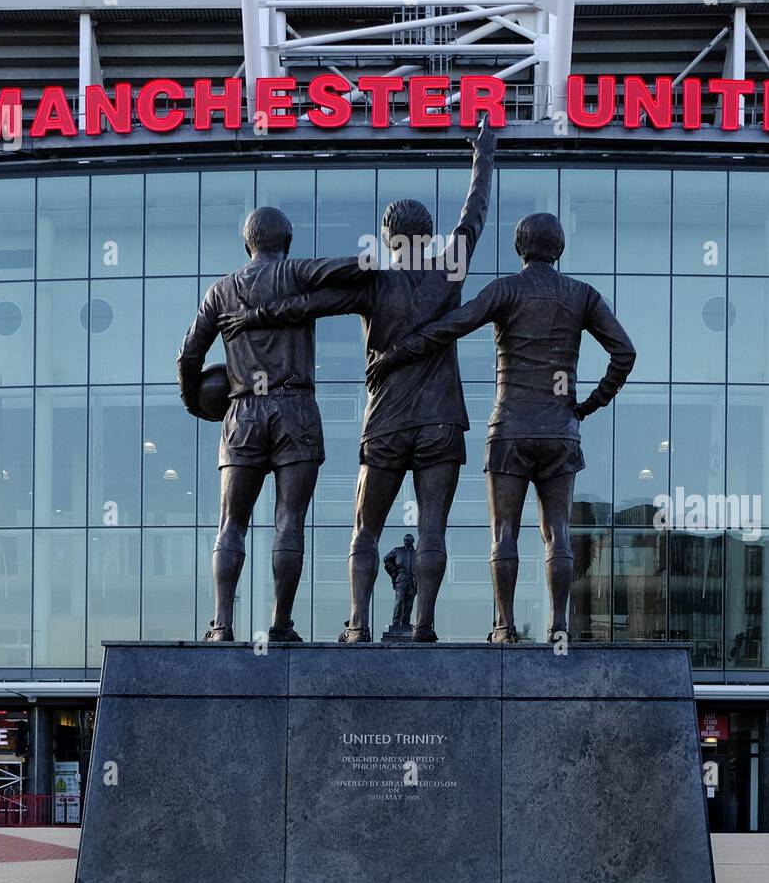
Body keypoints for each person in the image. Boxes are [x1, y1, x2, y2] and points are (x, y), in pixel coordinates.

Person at [219, 118, 496, 643]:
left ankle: (360, 624)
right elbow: (475, 211)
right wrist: (484, 152)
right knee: (434, 528)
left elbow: (308, 306)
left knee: (365, 529)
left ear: (389, 239)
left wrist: (252, 317)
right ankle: (425, 627)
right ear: (429, 235)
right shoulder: (449, 269)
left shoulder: (374, 282)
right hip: (441, 421)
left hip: (386, 423)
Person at [369, 212, 636, 644]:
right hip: (559, 429)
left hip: (510, 426)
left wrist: (398, 351)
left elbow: (452, 326)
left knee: (503, 532)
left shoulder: (505, 290)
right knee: (558, 534)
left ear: (519, 248)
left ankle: (505, 627)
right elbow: (625, 352)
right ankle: (559, 626)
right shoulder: (582, 295)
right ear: (560, 248)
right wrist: (588, 403)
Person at [177, 207, 369, 643]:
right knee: (290, 520)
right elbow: (357, 268)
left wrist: (195, 402)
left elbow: (188, 355)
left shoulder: (221, 291)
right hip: (295, 408)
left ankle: (221, 625)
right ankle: (281, 625)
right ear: (286, 242)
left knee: (231, 523)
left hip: (242, 411)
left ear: (248, 244)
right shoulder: (297, 272)